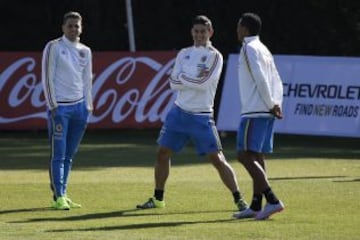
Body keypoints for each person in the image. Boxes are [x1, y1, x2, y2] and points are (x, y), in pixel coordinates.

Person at [136, 15, 248, 211]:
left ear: (210, 32)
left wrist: (184, 79)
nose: (199, 35)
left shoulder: (215, 56)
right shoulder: (184, 53)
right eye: (196, 31)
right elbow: (172, 83)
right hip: (178, 112)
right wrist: (190, 80)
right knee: (162, 154)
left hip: (201, 116)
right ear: (192, 32)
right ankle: (158, 198)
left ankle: (239, 199)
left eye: (203, 31)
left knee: (217, 159)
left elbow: (204, 84)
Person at [232, 12, 285, 220]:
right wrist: (276, 103)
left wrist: (271, 103)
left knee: (243, 155)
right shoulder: (264, 48)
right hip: (267, 109)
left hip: (255, 110)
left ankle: (272, 200)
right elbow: (277, 78)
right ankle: (255, 205)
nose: (237, 30)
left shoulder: (248, 47)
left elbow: (261, 78)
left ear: (245, 28)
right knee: (256, 155)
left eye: (238, 26)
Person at [41, 11, 93, 210]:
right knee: (58, 154)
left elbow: (87, 79)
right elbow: (47, 77)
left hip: (80, 108)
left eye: (77, 26)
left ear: (81, 28)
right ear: (63, 27)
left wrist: (88, 106)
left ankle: (63, 193)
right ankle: (58, 196)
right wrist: (53, 105)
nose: (73, 29)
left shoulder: (85, 50)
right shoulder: (54, 46)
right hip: (60, 108)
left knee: (70, 155)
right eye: (70, 25)